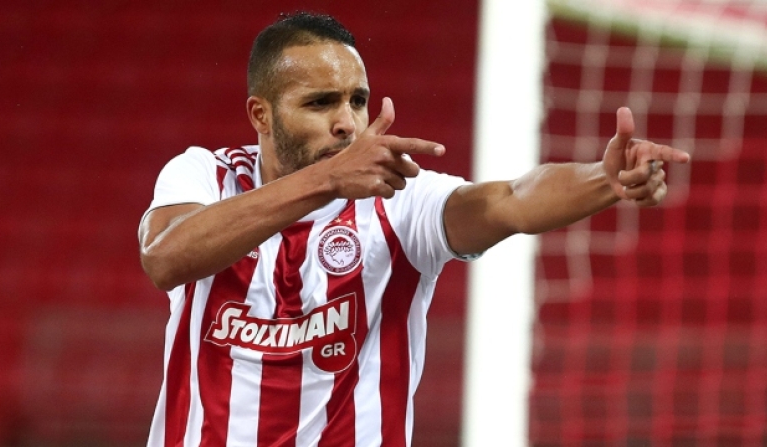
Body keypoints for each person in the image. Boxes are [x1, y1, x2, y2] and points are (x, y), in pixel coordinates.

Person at [138, 11, 690, 447]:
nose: (347, 122)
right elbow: (165, 258)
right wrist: (327, 181)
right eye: (320, 103)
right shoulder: (203, 175)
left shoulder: (402, 200)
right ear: (261, 115)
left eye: (357, 100)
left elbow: (511, 200)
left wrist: (602, 179)